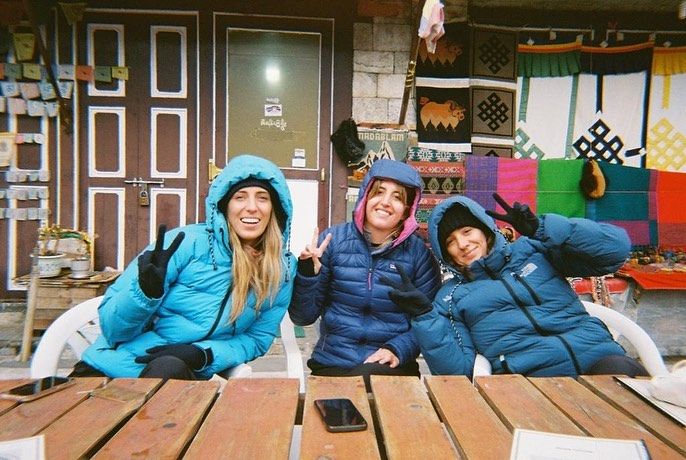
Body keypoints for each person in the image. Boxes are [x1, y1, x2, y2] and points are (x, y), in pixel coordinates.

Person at [71, 154, 297, 379]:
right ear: (224, 206)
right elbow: (113, 331)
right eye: (240, 197)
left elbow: (257, 339)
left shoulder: (282, 269)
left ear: (274, 208)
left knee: (169, 368)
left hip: (179, 378)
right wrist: (144, 295)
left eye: (262, 198)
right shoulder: (184, 244)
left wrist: (204, 354)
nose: (252, 207)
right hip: (108, 370)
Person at [382, 193, 648, 378]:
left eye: (467, 231)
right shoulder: (450, 297)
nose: (462, 244)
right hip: (530, 380)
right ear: (445, 253)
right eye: (450, 241)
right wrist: (425, 318)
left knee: (633, 398)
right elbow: (456, 372)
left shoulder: (535, 250)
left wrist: (543, 228)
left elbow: (615, 251)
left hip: (598, 358)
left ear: (485, 230)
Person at [288, 159, 441, 387]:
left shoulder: (418, 255)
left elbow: (431, 320)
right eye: (379, 192)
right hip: (334, 364)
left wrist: (398, 349)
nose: (385, 202)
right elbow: (303, 317)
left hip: (391, 368)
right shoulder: (333, 242)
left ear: (407, 210)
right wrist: (308, 273)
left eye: (397, 197)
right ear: (365, 197)